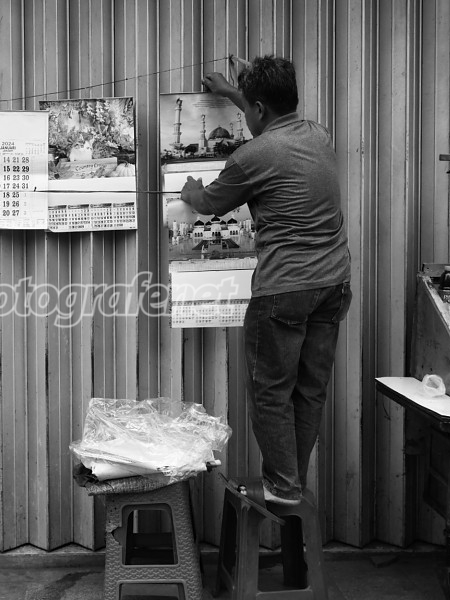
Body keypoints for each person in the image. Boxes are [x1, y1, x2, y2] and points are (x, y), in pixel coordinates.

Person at [180, 55, 351, 505]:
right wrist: (233, 93)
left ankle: (283, 486)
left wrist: (190, 191)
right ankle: (290, 481)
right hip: (333, 285)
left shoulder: (250, 157)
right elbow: (270, 118)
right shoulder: (318, 134)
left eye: (248, 107)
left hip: (284, 290)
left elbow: (209, 203)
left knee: (270, 393)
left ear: (257, 108)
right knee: (309, 391)